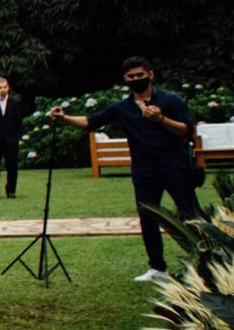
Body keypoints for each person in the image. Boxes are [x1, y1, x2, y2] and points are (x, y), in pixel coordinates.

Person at [50, 56, 200, 283]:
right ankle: (157, 268)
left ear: (150, 75)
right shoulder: (122, 108)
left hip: (174, 166)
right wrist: (64, 118)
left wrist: (161, 119)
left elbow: (186, 131)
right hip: (143, 170)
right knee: (148, 218)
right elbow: (90, 121)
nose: (136, 79)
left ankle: (205, 262)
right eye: (131, 77)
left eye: (140, 75)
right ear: (125, 80)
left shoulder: (170, 100)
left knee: (189, 213)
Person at [0, 76, 26, 199]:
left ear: (8, 88)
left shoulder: (14, 103)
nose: (3, 89)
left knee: (12, 166)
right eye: (0, 87)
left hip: (11, 140)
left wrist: (17, 137)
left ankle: (11, 190)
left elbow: (19, 122)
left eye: (5, 87)